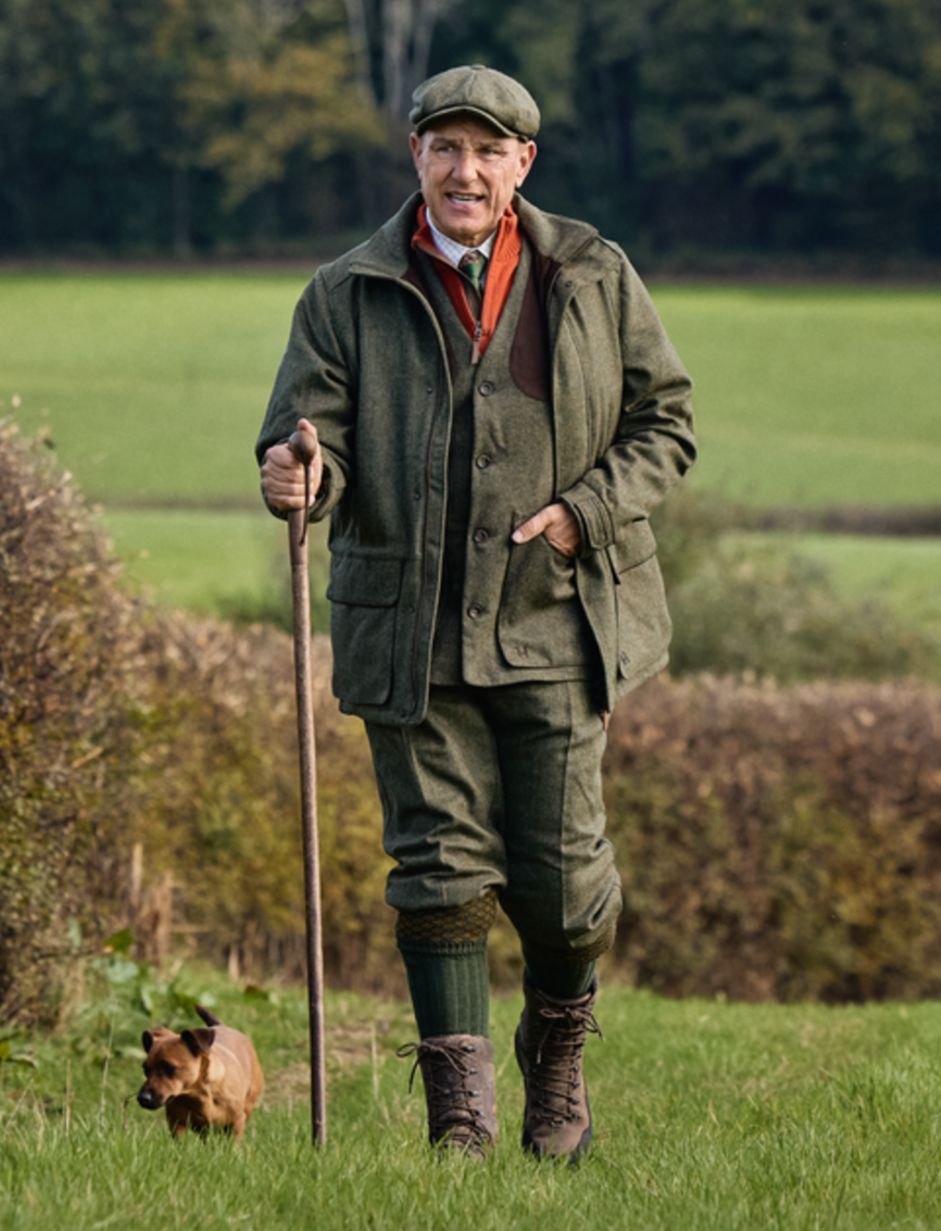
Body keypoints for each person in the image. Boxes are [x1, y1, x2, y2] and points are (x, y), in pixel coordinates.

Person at [256, 64, 695, 1162]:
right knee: (437, 865)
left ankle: (556, 1056)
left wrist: (581, 513)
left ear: (522, 165)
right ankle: (460, 1115)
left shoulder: (593, 273)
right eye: (445, 147)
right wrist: (301, 471)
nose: (465, 169)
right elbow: (312, 434)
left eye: (487, 150)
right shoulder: (344, 290)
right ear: (416, 157)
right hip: (405, 627)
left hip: (558, 618)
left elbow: (666, 424)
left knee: (561, 879)